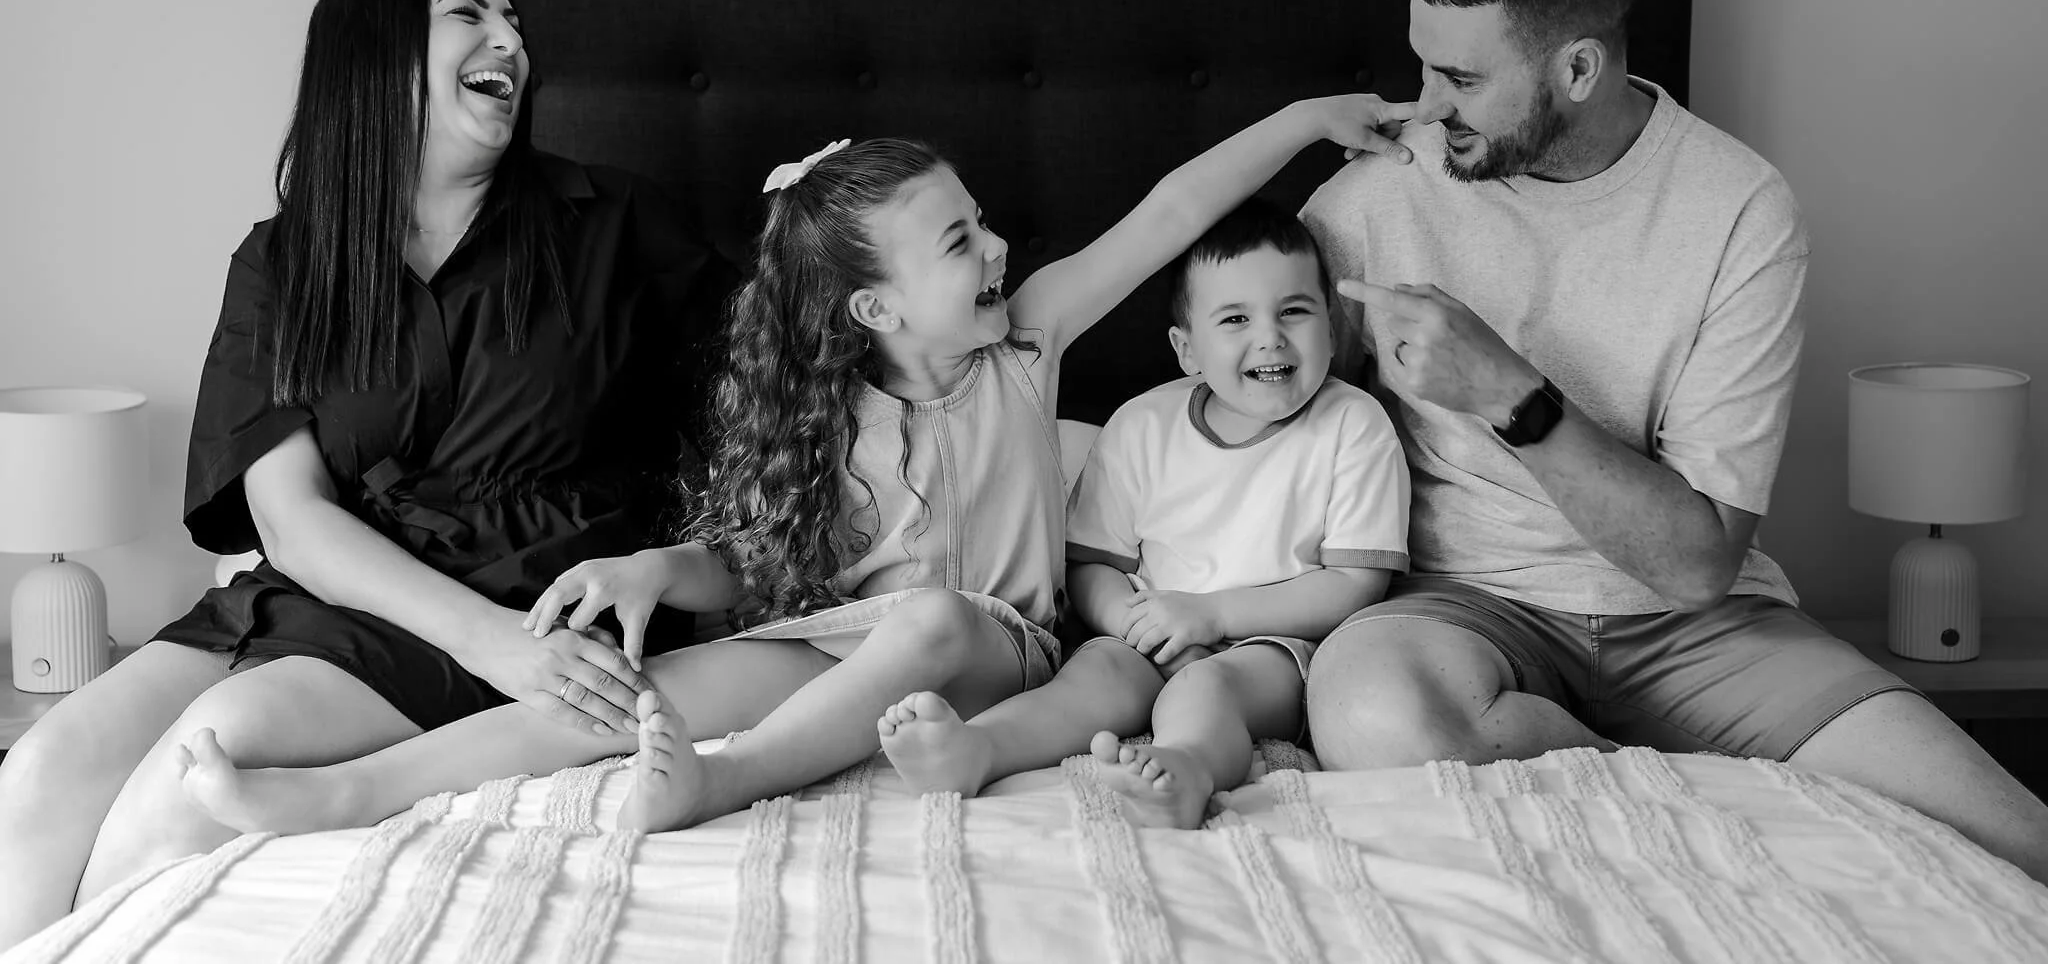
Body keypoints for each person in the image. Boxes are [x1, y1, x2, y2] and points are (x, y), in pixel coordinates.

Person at [174, 98, 1417, 836]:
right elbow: (765, 564)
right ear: (873, 309)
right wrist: (658, 563)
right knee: (617, 694)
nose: (994, 246)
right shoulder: (834, 421)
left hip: (1001, 648)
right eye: (957, 240)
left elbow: (1168, 209)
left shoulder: (1027, 345)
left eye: (980, 222)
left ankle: (729, 787)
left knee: (929, 618)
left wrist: (1308, 123)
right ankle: (354, 795)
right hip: (844, 637)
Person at [1300, 0, 2048, 884]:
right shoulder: (1380, 191)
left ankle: (1685, 801)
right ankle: (1693, 809)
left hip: (1702, 627)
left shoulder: (1737, 211)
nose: (1425, 105)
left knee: (2013, 841)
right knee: (1364, 710)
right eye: (1422, 65)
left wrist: (1506, 396)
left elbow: (1696, 564)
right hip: (1466, 611)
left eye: (1459, 78)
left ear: (1575, 68)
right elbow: (1231, 372)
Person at [0, 0, 732, 949]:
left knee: (190, 786)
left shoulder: (616, 225)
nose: (510, 40)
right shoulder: (286, 259)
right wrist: (478, 642)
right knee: (39, 771)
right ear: (377, 56)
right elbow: (288, 517)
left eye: (517, 23)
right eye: (470, 14)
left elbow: (784, 402)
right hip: (334, 592)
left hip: (526, 597)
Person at [874, 198, 1410, 829]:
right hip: (1151, 631)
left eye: (1295, 311)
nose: (1270, 336)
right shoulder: (1143, 424)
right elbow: (1091, 565)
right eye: (1235, 319)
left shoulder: (1353, 424)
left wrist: (1210, 615)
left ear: (1332, 327)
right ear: (1187, 350)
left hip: (1279, 647)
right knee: (1092, 676)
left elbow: (1356, 585)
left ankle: (1186, 769)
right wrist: (1133, 624)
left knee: (1205, 690)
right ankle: (977, 749)